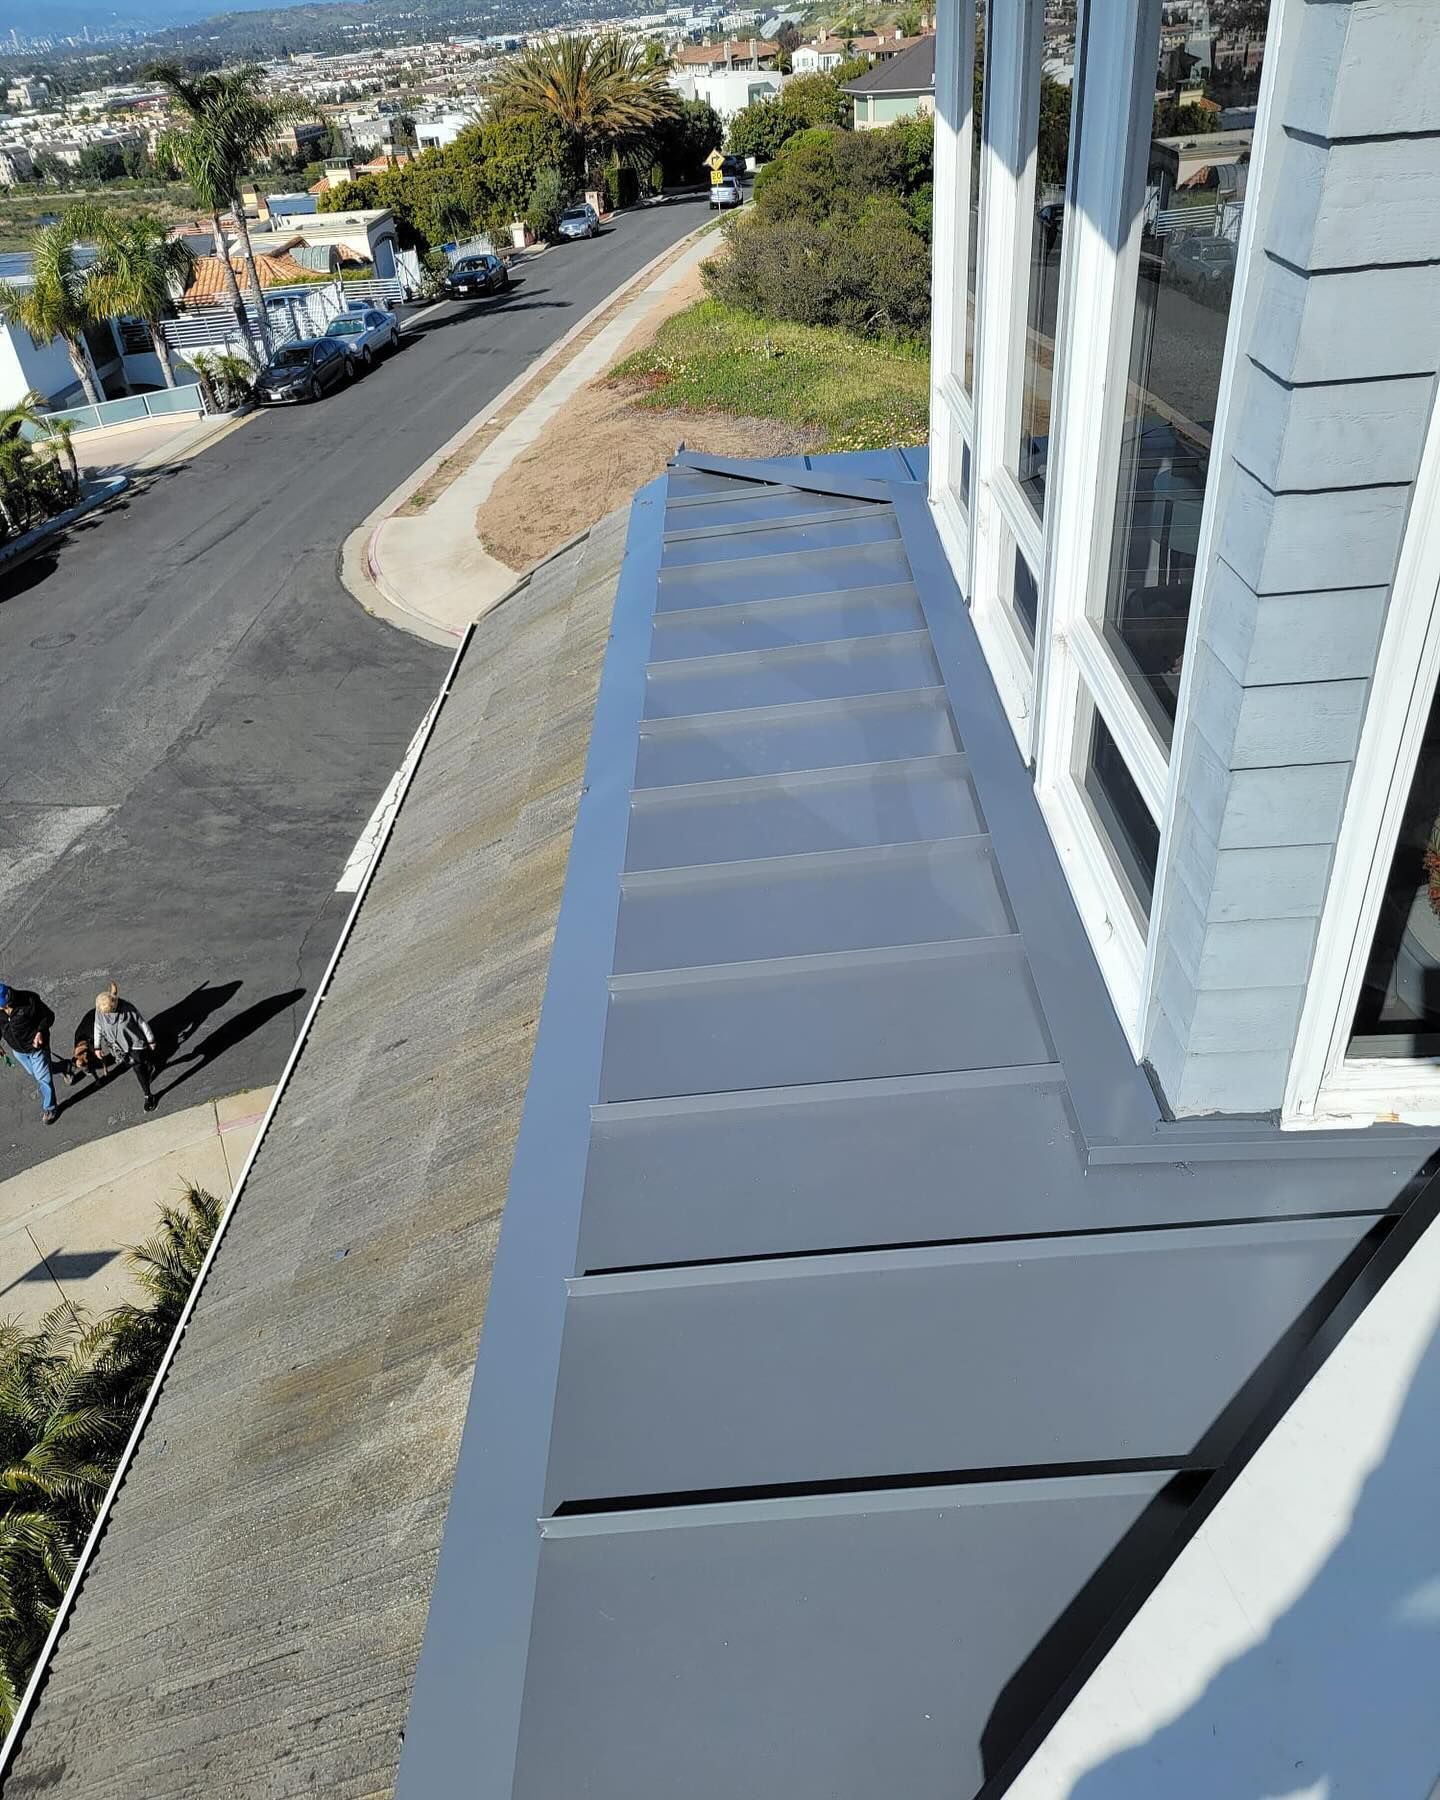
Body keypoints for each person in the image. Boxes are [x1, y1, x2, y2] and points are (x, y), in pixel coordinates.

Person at [0, 981, 69, 1125]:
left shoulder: (28, 1000)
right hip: (19, 1051)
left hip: (36, 1048)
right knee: (35, 1072)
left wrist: (41, 1032)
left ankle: (50, 1108)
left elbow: (48, 1016)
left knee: (43, 1078)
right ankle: (65, 1067)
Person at [92, 983, 160, 1113]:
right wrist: (97, 1046)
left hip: (135, 1044)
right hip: (118, 1046)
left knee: (137, 1067)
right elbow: (98, 1027)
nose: (103, 1015)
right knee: (139, 1064)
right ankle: (148, 1066)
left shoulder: (128, 1009)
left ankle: (148, 1095)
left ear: (113, 1008)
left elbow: (142, 1023)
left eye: (106, 1013)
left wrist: (151, 1040)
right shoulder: (100, 1011)